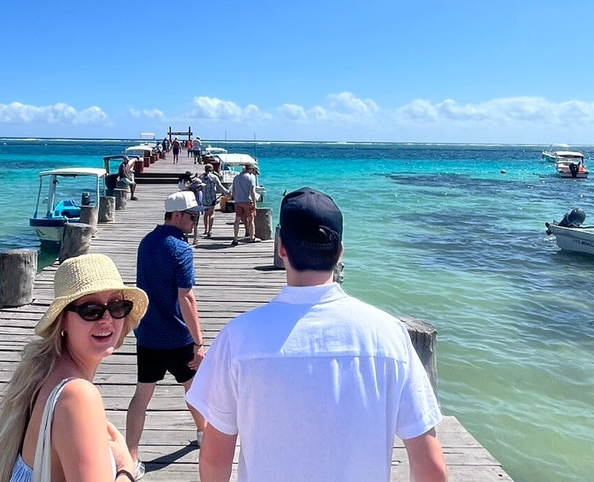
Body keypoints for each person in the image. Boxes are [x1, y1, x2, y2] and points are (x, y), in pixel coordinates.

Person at [186, 188, 447, 482]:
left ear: (281, 246)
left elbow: (214, 462)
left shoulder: (238, 339)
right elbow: (431, 468)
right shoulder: (389, 337)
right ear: (340, 252)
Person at [0, 253, 149, 482]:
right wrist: (125, 468)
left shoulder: (42, 374)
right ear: (63, 321)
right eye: (91, 310)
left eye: (117, 306)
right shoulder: (78, 396)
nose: (107, 319)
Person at [125, 191, 207, 477]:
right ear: (177, 216)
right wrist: (199, 342)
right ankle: (203, 434)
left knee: (142, 395)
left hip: (147, 333)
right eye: (193, 216)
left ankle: (131, 457)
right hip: (177, 336)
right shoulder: (181, 249)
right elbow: (187, 298)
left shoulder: (146, 243)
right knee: (193, 390)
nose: (196, 221)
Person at [229, 162, 259, 247]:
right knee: (250, 220)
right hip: (248, 201)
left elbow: (233, 190)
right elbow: (252, 192)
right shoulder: (251, 177)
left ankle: (235, 238)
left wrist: (235, 199)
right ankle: (251, 237)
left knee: (237, 220)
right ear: (249, 169)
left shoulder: (236, 177)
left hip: (238, 201)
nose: (253, 171)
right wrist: (254, 203)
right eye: (252, 169)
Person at [199, 164, 228, 239]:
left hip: (204, 197)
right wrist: (227, 192)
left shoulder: (201, 177)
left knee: (205, 214)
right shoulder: (214, 177)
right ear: (211, 169)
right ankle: (209, 230)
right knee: (211, 214)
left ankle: (205, 230)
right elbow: (220, 186)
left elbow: (199, 187)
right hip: (211, 197)